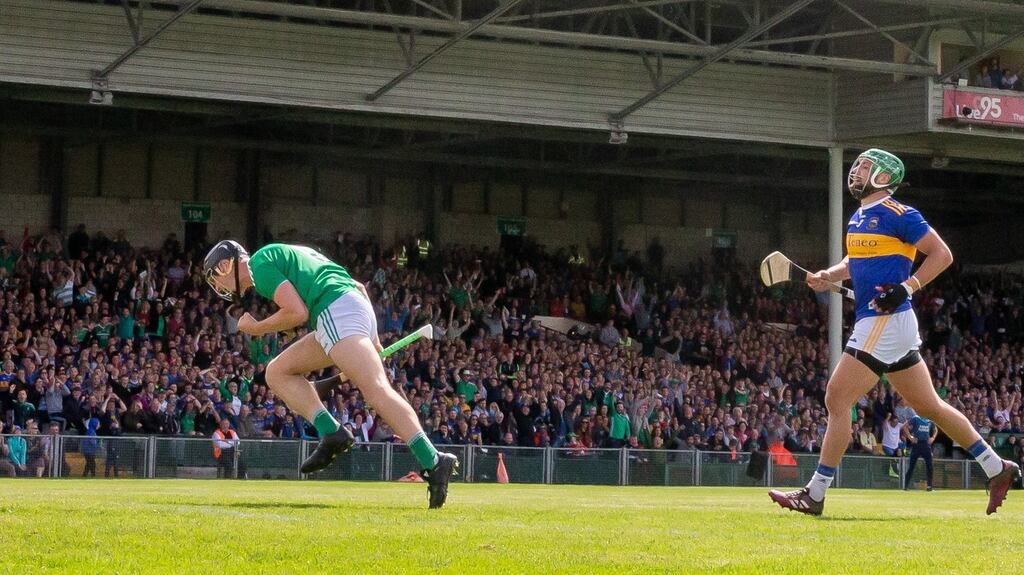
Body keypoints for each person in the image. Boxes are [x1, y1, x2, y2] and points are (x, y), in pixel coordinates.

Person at [769, 148, 1019, 516]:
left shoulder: (901, 213)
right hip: (888, 323)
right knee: (928, 406)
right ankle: (997, 468)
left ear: (884, 177)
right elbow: (856, 262)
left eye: (865, 168)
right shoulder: (859, 217)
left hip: (882, 320)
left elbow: (942, 254)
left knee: (837, 399)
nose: (856, 172)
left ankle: (815, 493)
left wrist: (909, 286)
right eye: (857, 167)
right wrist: (829, 275)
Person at [203, 240, 457, 508]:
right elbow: (358, 287)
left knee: (377, 391)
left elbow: (297, 312)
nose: (219, 287)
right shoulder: (283, 254)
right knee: (278, 372)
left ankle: (434, 460)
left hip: (335, 312)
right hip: (348, 307)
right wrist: (373, 336)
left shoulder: (257, 268)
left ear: (225, 264)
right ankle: (332, 432)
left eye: (216, 278)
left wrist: (257, 328)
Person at [904, 413, 937, 491]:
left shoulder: (929, 420)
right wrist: (910, 437)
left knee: (930, 466)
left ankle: (929, 487)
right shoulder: (916, 418)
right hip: (917, 444)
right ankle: (906, 486)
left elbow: (935, 429)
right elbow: (905, 426)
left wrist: (932, 437)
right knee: (911, 466)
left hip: (926, 445)